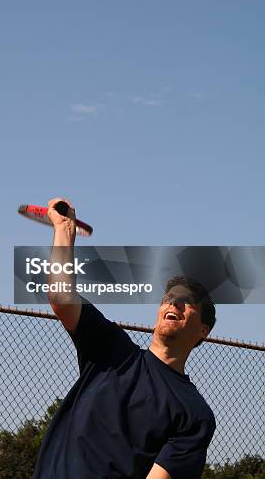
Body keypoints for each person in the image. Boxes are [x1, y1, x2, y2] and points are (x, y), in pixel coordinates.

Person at [32, 198, 217, 479]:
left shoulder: (194, 414)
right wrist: (64, 229)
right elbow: (61, 297)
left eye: (187, 302)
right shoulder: (113, 350)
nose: (173, 304)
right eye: (169, 298)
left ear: (203, 330)